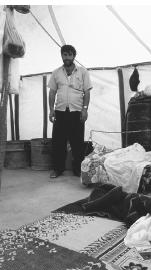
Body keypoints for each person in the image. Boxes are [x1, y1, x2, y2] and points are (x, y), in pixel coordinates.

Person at [48, 45, 92, 178]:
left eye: (69, 55)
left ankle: (78, 169)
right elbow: (52, 92)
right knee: (58, 142)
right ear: (61, 56)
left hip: (77, 111)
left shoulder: (82, 72)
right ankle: (57, 169)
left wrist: (85, 110)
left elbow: (87, 92)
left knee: (77, 142)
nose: (66, 57)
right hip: (60, 111)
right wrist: (51, 110)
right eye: (64, 55)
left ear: (74, 56)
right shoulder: (56, 73)